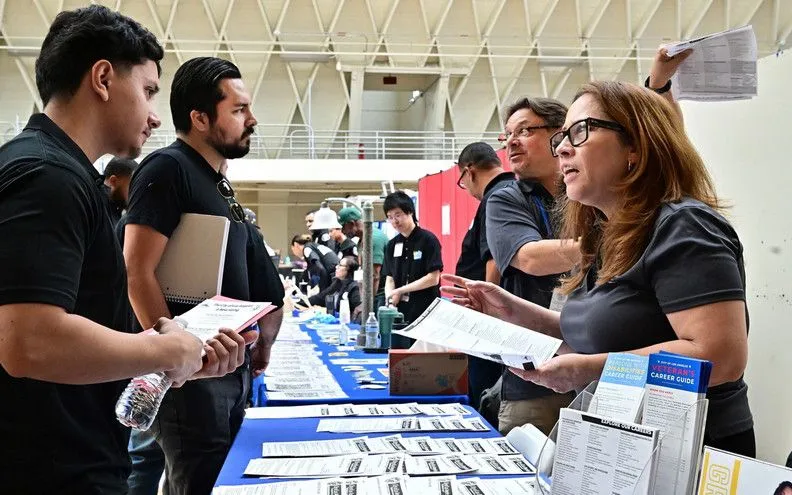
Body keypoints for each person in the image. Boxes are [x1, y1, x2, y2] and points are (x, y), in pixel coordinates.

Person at [0, 6, 245, 493]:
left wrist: (175, 359)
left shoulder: (63, 174)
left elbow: (74, 323)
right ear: (104, 77)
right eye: (149, 90)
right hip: (55, 468)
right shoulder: (48, 177)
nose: (155, 114)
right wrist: (160, 347)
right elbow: (28, 342)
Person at [445, 79, 755, 457]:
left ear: (636, 148)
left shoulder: (683, 226)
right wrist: (512, 309)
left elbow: (719, 358)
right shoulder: (610, 235)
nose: (561, 148)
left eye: (580, 132)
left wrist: (587, 369)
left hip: (686, 452)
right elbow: (598, 333)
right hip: (623, 441)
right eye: (561, 136)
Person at [123, 56, 284, 495]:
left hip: (226, 366)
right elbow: (137, 270)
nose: (251, 120)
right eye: (238, 110)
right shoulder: (167, 169)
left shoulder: (216, 182)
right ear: (199, 118)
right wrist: (172, 358)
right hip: (192, 377)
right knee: (200, 480)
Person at [484, 97, 580, 435]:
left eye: (525, 131)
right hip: (532, 376)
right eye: (508, 134)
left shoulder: (588, 192)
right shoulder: (507, 198)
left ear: (561, 136)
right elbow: (530, 258)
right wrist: (605, 247)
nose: (511, 141)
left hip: (598, 373)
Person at [453, 141, 515, 411]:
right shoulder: (511, 190)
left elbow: (494, 260)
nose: (466, 190)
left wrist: (487, 313)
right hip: (497, 316)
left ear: (469, 172)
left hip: (489, 322)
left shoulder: (496, 198)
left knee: (483, 393)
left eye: (462, 182)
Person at [382, 191, 443, 330]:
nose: (394, 221)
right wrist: (391, 301)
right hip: (400, 312)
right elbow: (389, 279)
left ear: (410, 212)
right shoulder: (392, 245)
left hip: (425, 310)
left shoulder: (428, 240)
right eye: (390, 217)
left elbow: (433, 278)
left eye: (398, 215)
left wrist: (400, 290)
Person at [339, 206, 389, 310]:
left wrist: (366, 305)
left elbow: (374, 276)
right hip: (372, 295)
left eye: (343, 227)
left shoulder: (373, 238)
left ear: (352, 223)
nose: (342, 232)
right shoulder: (361, 241)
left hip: (380, 296)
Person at [103, 156, 138, 224]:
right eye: (131, 187)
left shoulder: (114, 207)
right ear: (113, 181)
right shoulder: (99, 210)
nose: (134, 194)